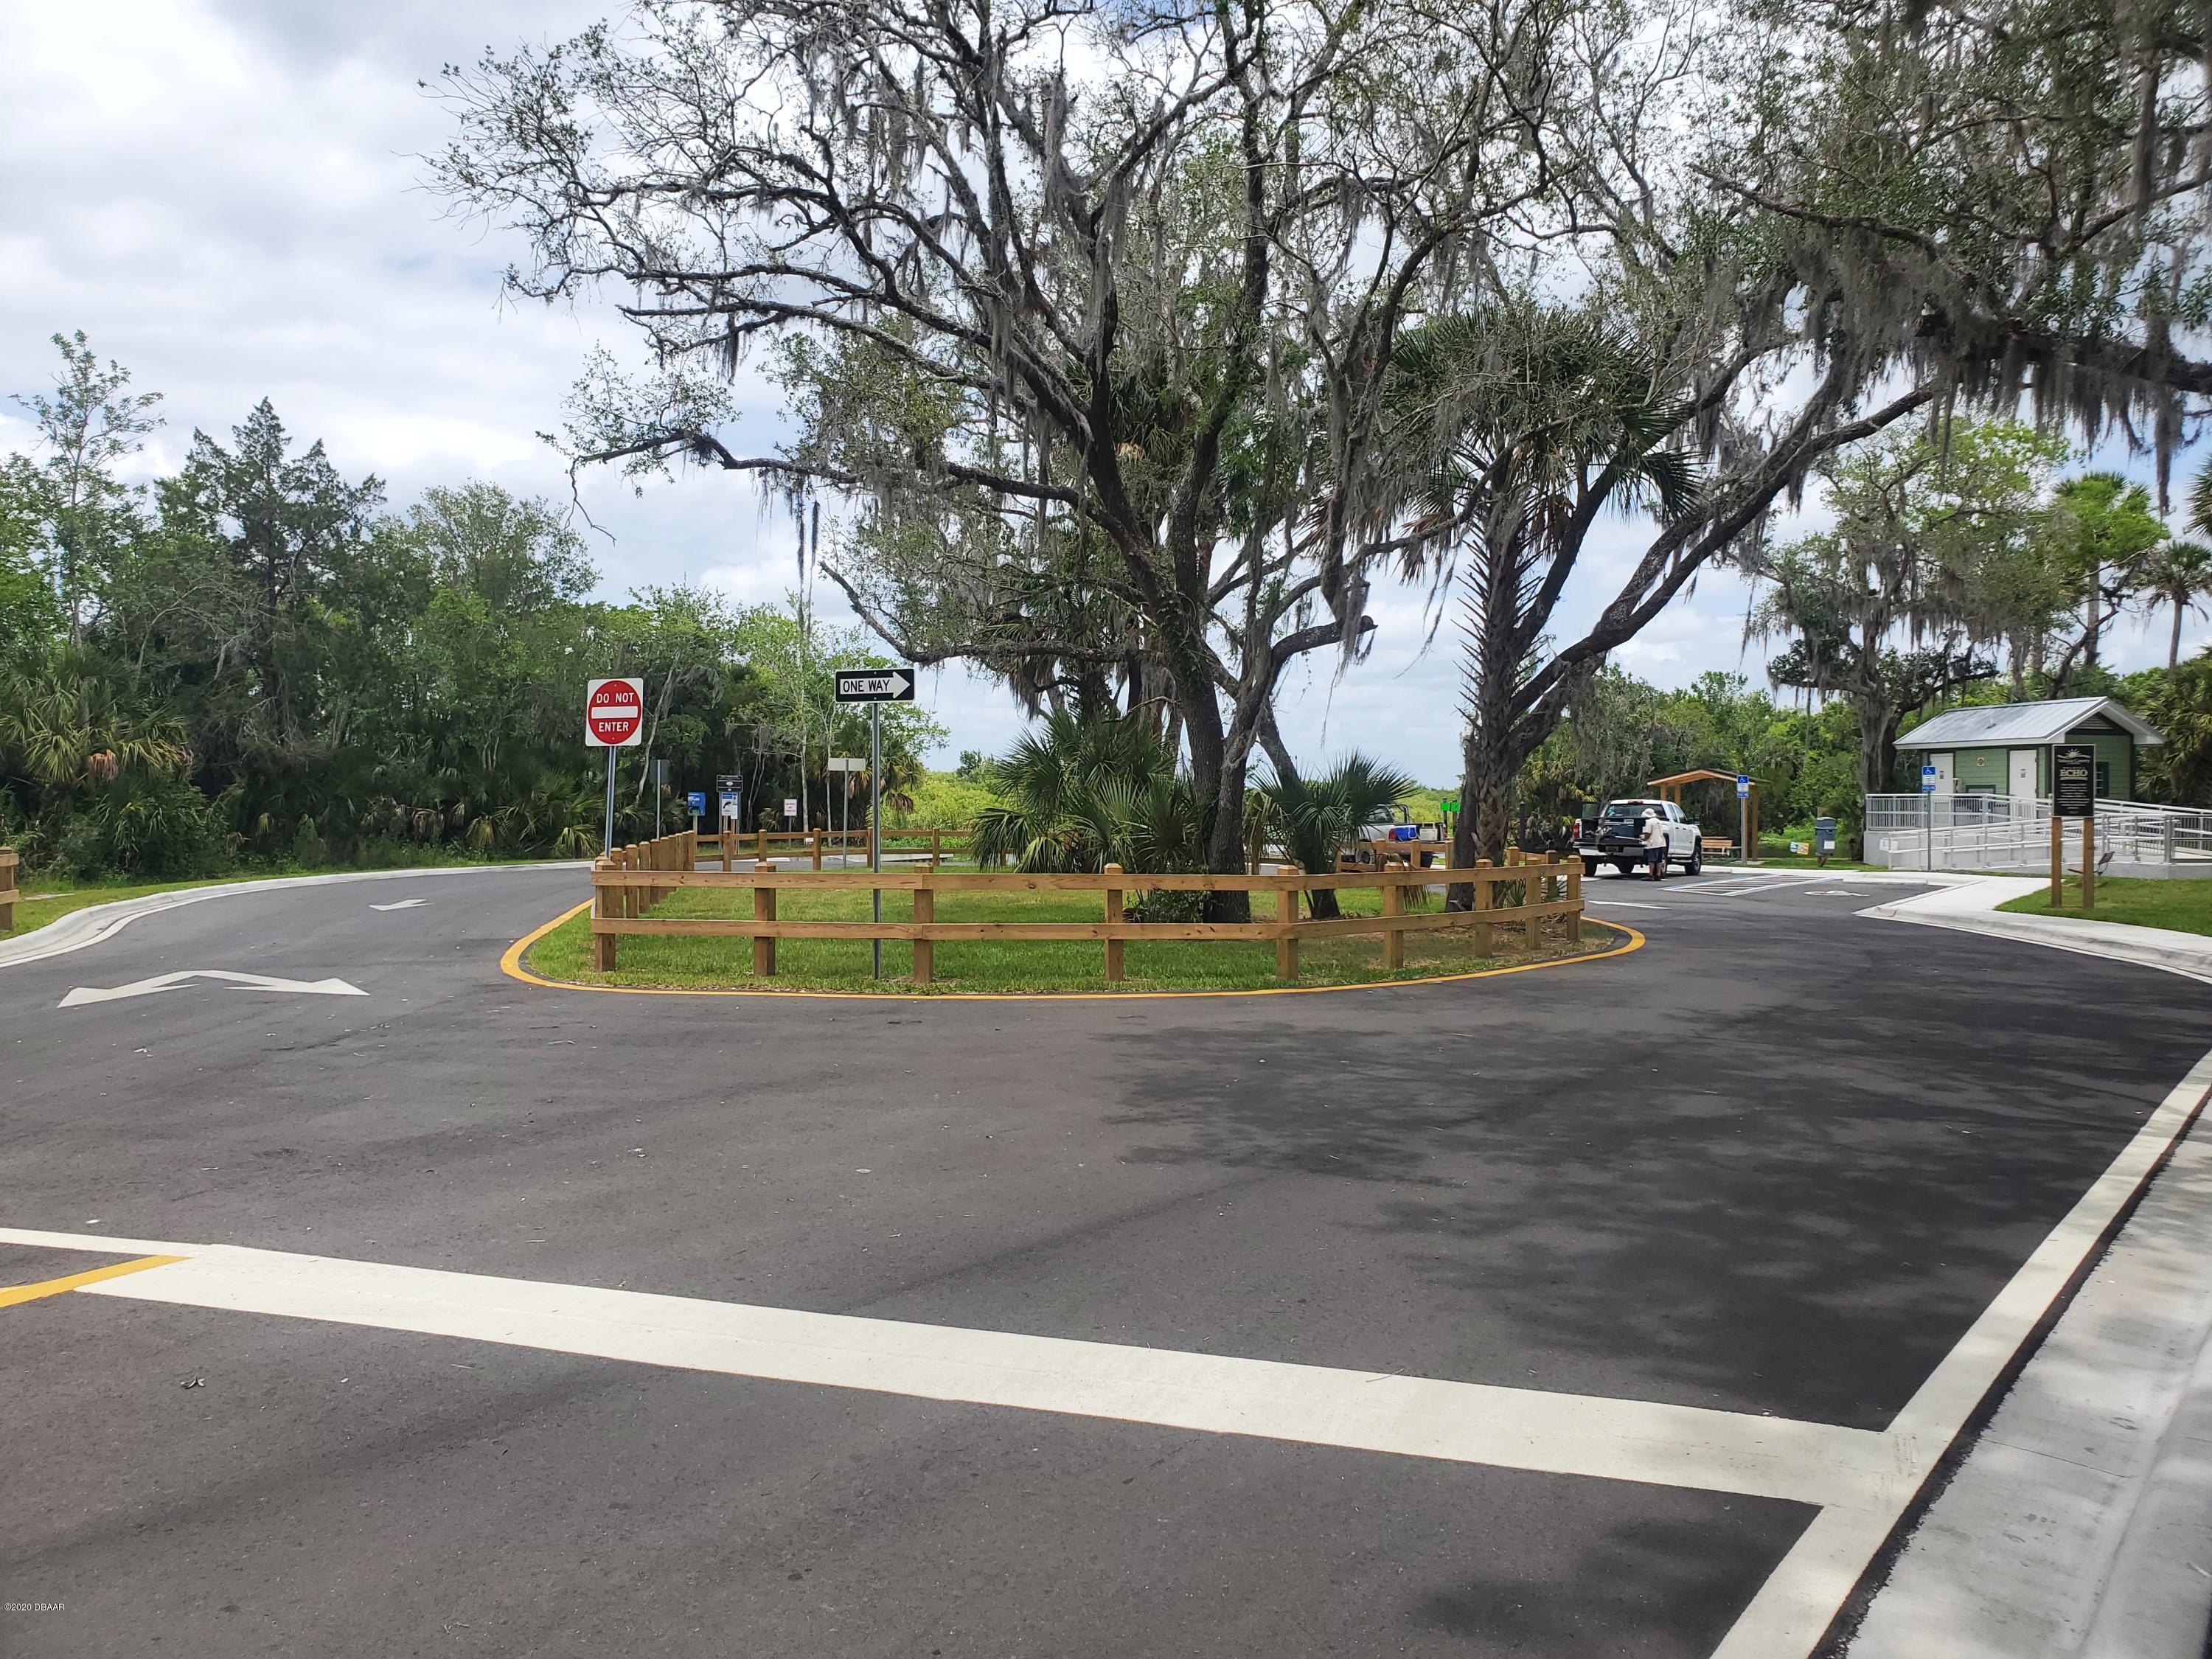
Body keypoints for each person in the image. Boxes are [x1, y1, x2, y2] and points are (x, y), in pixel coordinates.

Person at [1639, 809, 1669, 881]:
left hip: (1653, 843)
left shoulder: (1649, 822)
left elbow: (1647, 834)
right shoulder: (1658, 821)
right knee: (1659, 860)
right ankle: (1658, 875)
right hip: (1661, 842)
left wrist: (1643, 838)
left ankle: (1651, 875)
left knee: (1651, 860)